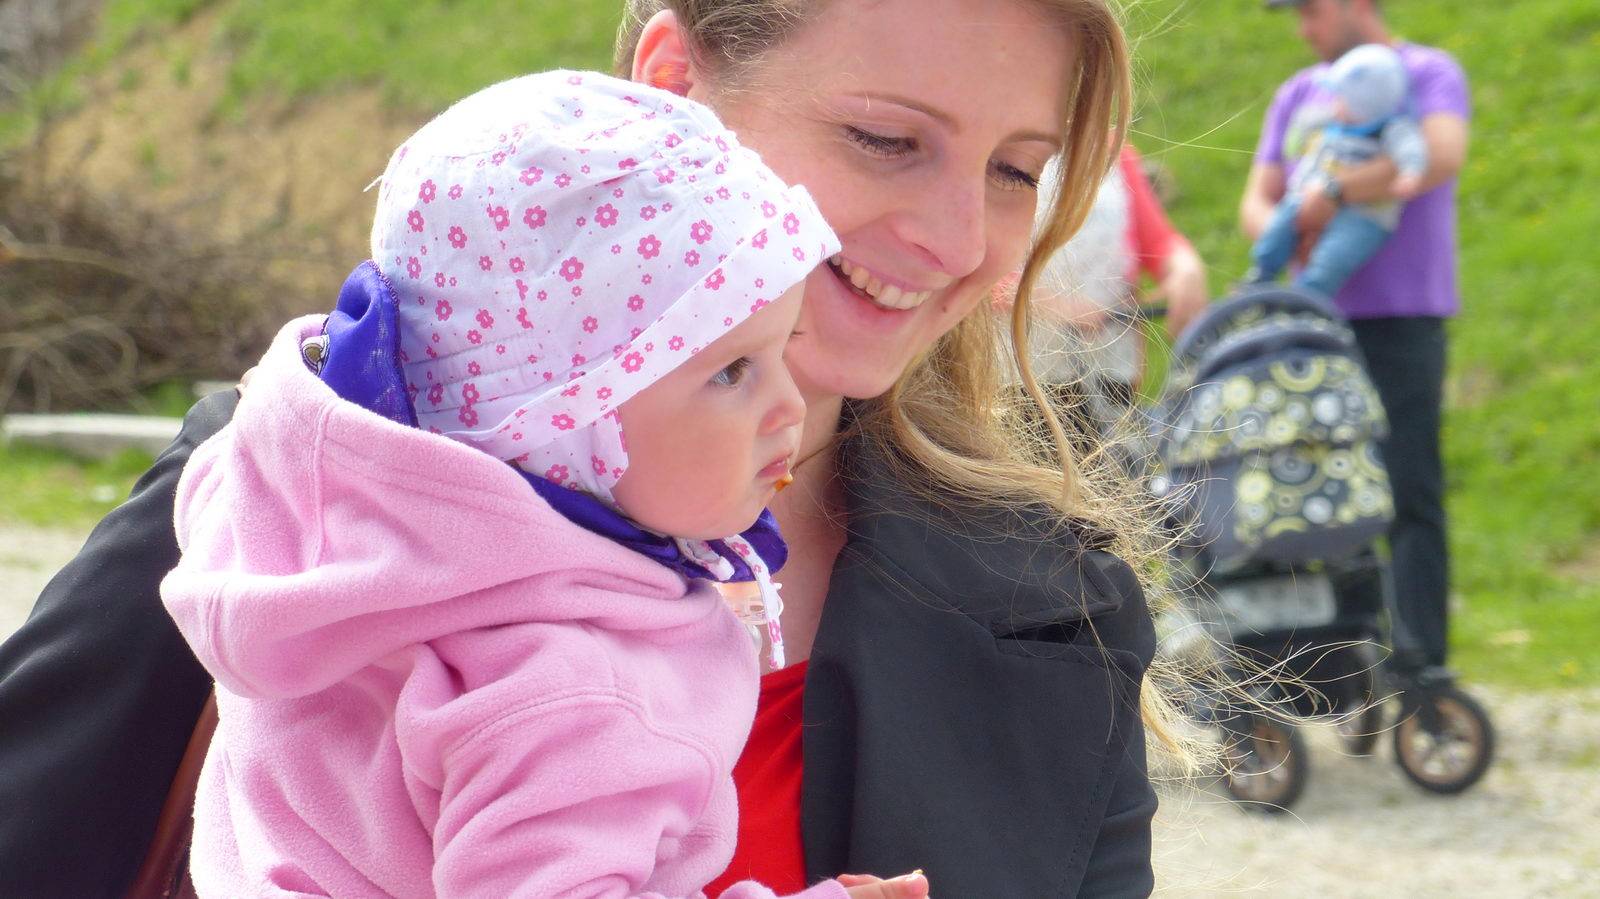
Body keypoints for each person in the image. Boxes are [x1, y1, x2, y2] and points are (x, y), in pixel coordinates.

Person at [0, 1, 1169, 896]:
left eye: (1015, 170)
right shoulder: (283, 498)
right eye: (885, 139)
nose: (961, 238)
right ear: (672, 87)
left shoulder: (1059, 605)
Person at [158, 70, 919, 898]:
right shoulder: (575, 692)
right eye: (731, 371)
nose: (789, 405)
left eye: (783, 346)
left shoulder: (300, 526)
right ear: (559, 425)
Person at [1241, 0, 1470, 674]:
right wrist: (1288, 226)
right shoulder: (1298, 93)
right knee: (1313, 493)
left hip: (1400, 316)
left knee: (1409, 489)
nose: (1304, 28)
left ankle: (1420, 662)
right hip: (1311, 320)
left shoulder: (1427, 72)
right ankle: (1337, 659)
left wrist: (1333, 194)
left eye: (1311, 11)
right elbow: (1257, 196)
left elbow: (1438, 156)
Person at [1028, 143, 1208, 426]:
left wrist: (1185, 268)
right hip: (1027, 375)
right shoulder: (1010, 154)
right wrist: (1058, 307)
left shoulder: (1115, 156)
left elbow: (1157, 241)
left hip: (1112, 361)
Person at [1247, 42, 1429, 298]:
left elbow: (1411, 150)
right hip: (1305, 198)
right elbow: (1302, 128)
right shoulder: (1330, 121)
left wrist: (1410, 173)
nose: (1335, 103)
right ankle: (1262, 273)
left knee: (1334, 258)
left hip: (1366, 215)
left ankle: (1308, 297)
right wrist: (1297, 140)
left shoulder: (1392, 130)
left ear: (1360, 104)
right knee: (1279, 228)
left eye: (1341, 97)